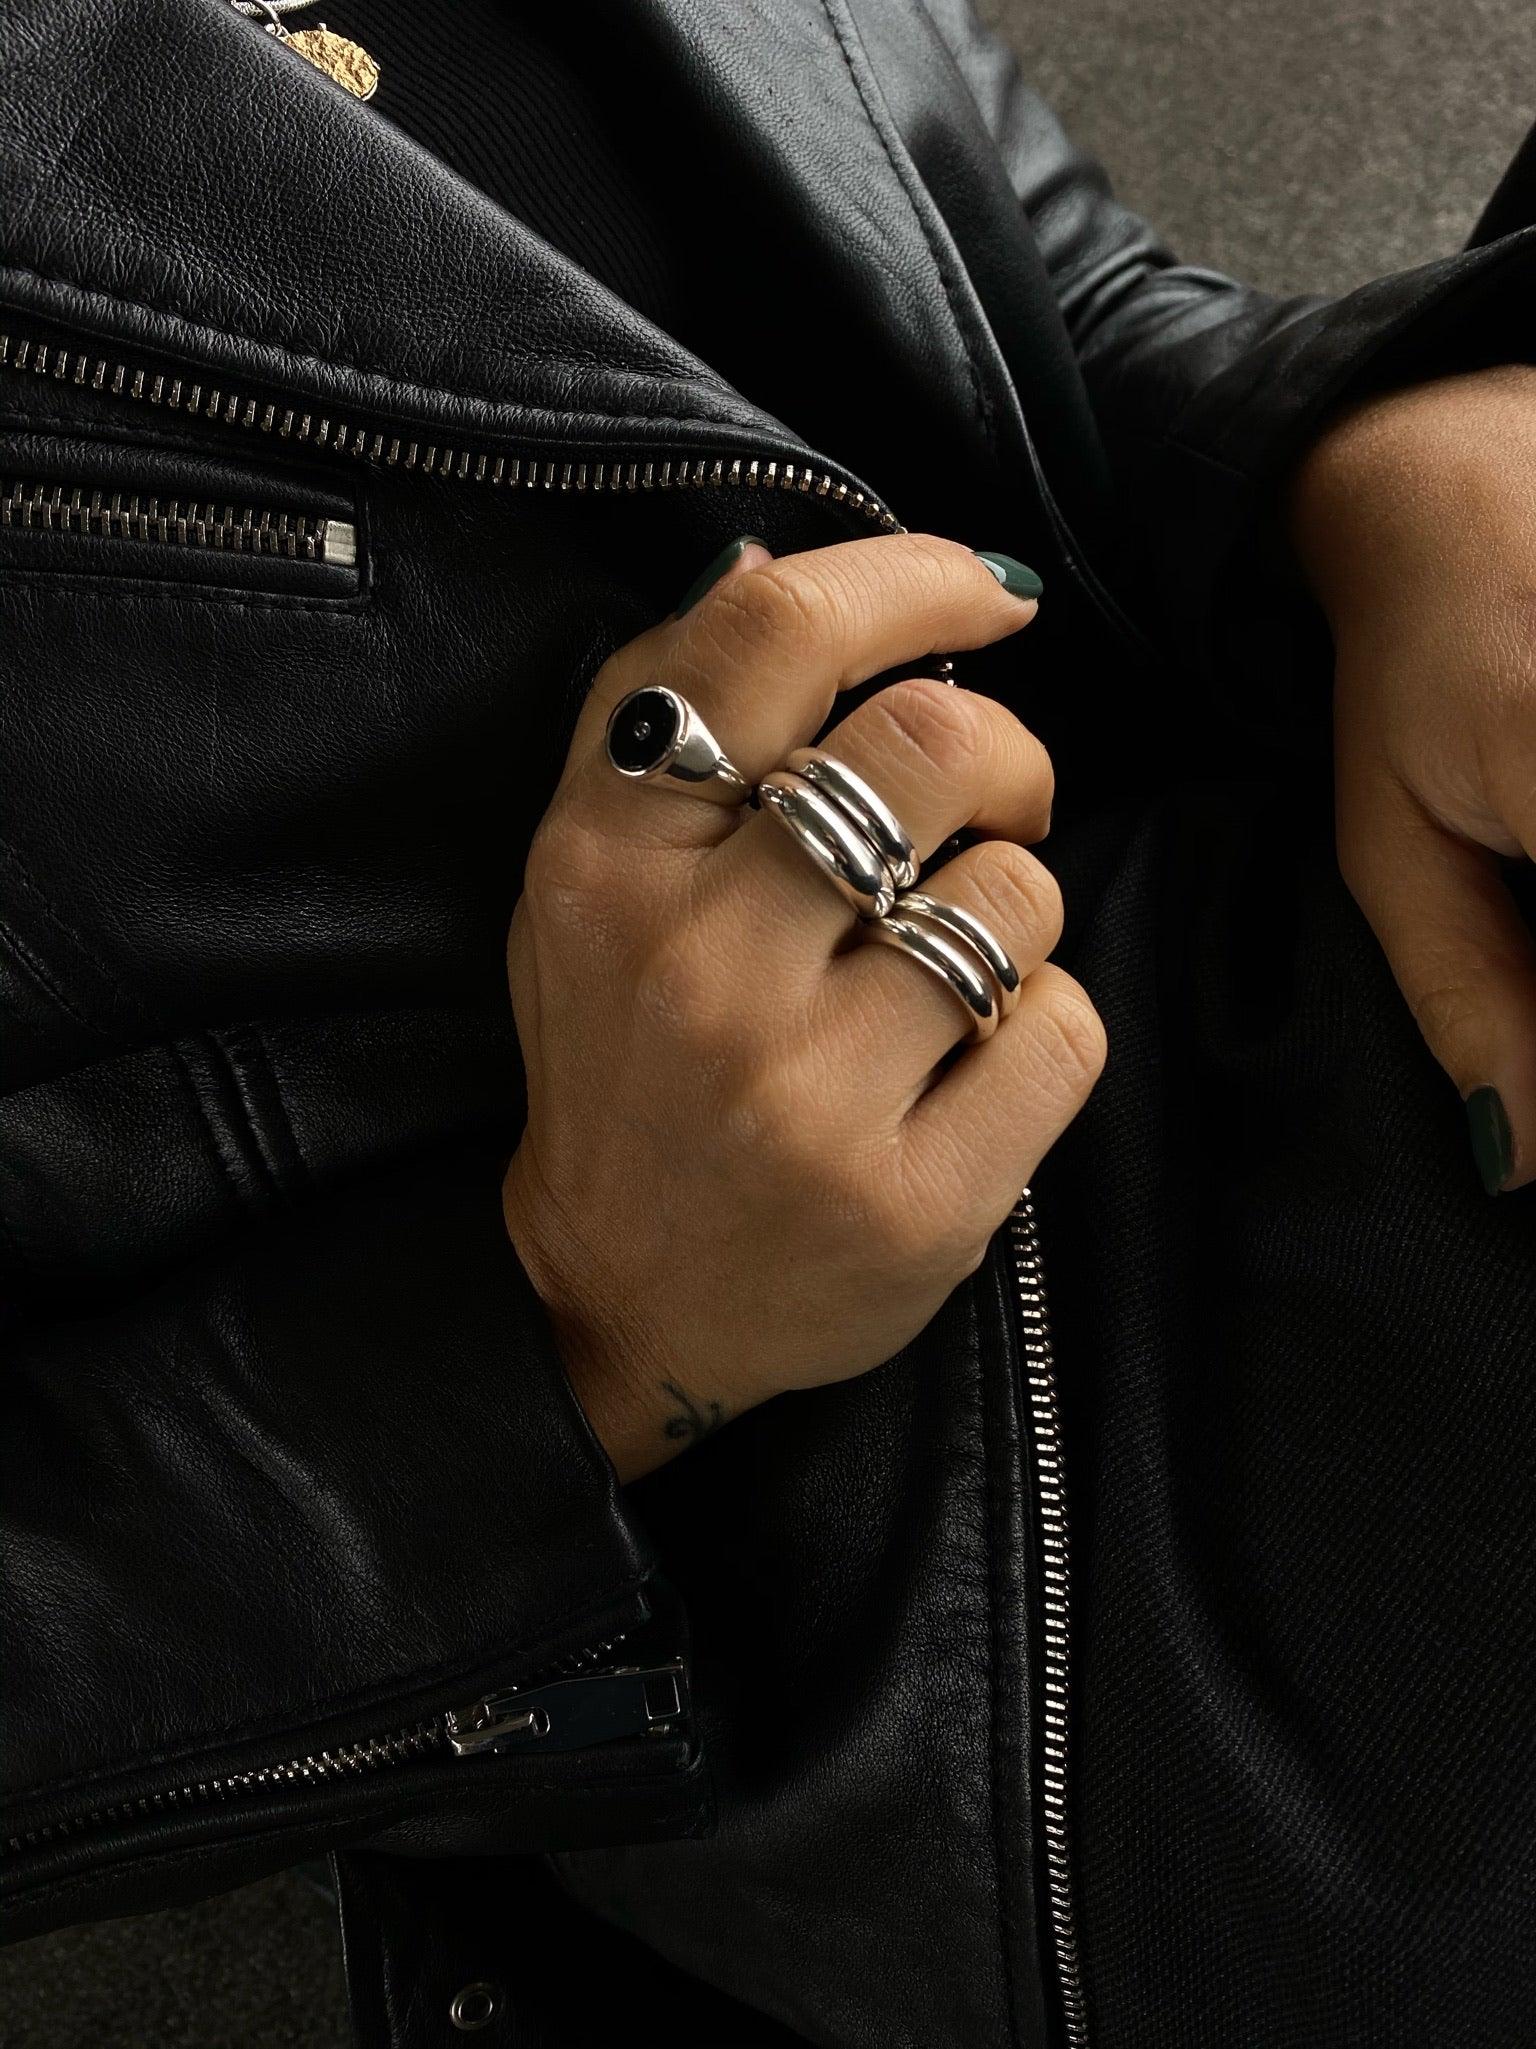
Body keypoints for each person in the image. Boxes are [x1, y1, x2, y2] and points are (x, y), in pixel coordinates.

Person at [3, 1, 1534, 2042]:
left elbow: (997, 273)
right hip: (1055, 1584)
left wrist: (1363, 451)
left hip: (1345, 837)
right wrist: (580, 1321)